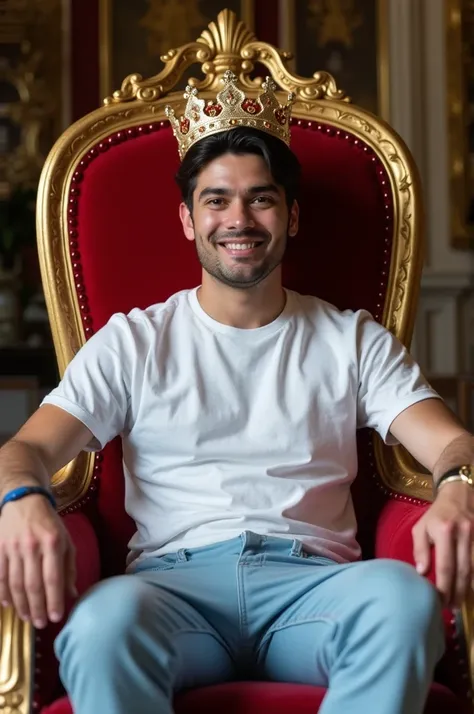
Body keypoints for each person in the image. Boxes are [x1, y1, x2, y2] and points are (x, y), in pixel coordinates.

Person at [0, 72, 472, 714]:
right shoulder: (134, 341)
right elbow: (24, 448)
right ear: (188, 220)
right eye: (216, 201)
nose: (239, 220)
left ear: (292, 215)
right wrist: (24, 499)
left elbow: (451, 443)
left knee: (404, 603)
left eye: (261, 199)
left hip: (316, 590)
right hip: (171, 593)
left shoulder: (350, 339)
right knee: (102, 623)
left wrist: (457, 490)